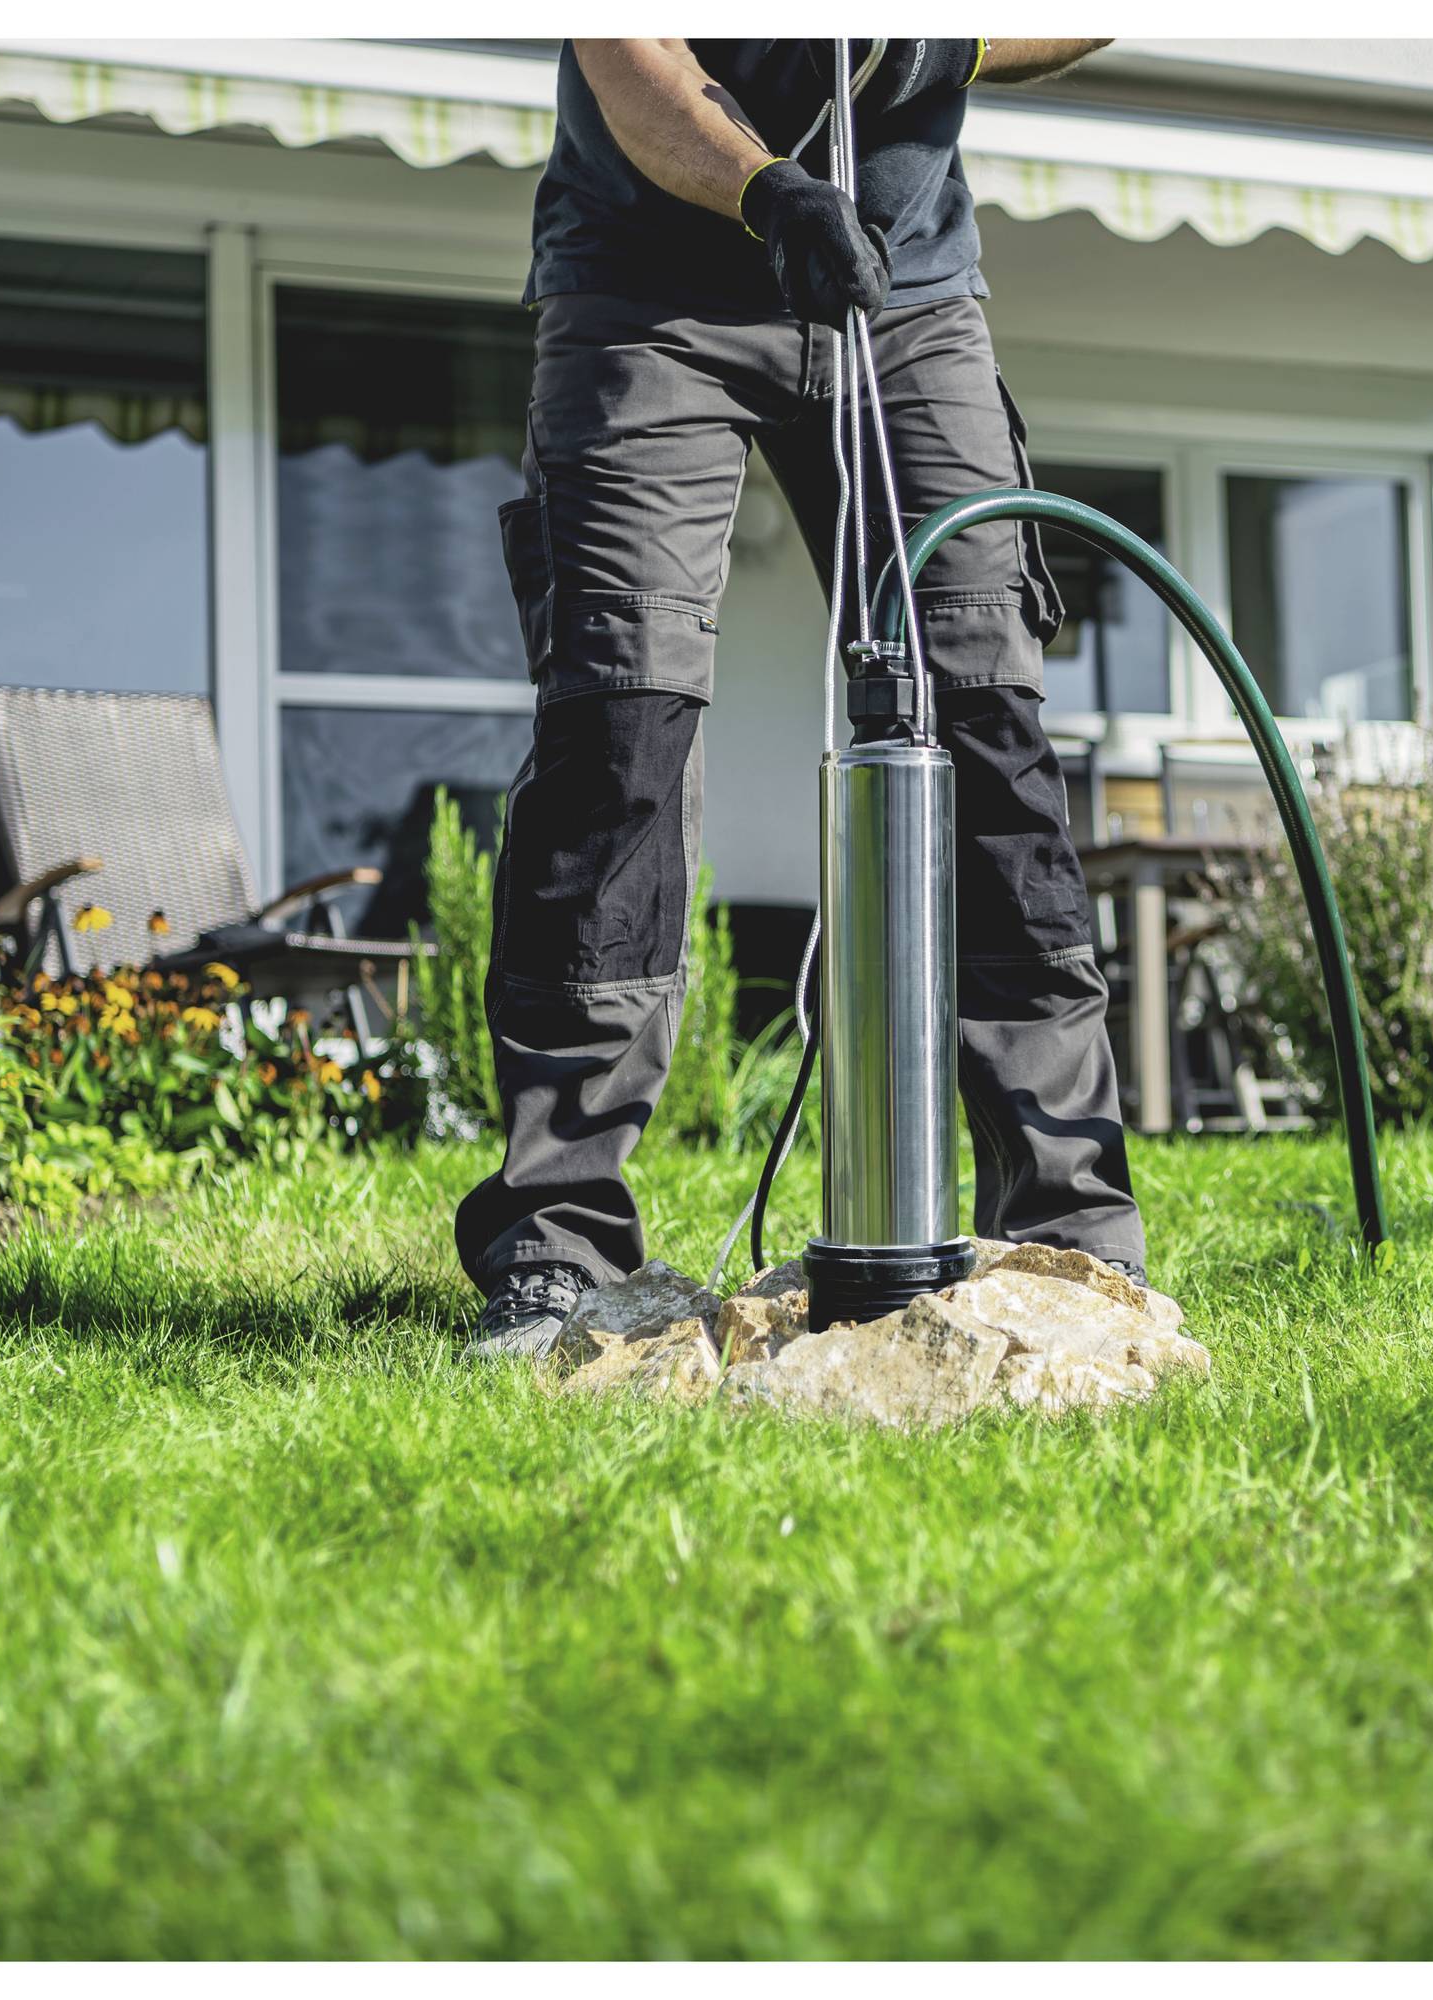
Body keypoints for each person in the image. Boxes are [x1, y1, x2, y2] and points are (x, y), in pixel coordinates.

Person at [459, 37, 1145, 1360]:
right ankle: (557, 1243)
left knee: (982, 718)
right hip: (647, 289)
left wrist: (939, 40)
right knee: (619, 723)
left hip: (909, 293)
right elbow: (626, 47)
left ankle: (1067, 1230)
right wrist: (766, 188)